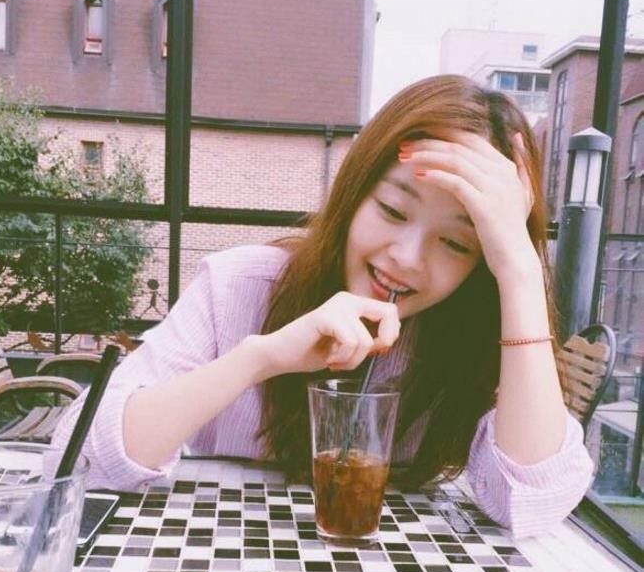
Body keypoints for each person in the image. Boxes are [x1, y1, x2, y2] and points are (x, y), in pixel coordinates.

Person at [53, 75, 594, 538]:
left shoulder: (473, 335)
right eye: (392, 209)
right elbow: (79, 459)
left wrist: (521, 272)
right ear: (354, 193)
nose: (405, 258)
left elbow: (531, 503)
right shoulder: (241, 285)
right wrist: (261, 357)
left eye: (456, 243)